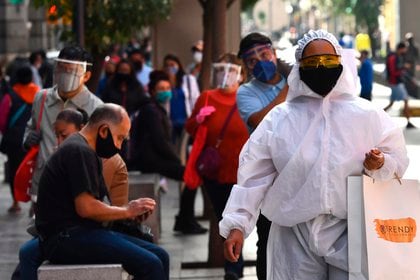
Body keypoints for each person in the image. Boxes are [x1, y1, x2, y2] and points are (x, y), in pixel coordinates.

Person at [220, 29, 409, 280]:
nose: (321, 67)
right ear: (300, 67)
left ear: (340, 63)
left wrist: (380, 162)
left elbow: (397, 161)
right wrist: (237, 225)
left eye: (328, 61)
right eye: (312, 62)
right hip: (294, 236)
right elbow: (254, 176)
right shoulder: (279, 119)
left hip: (351, 231)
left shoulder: (367, 115)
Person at [35, 104, 169, 279]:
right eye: (119, 138)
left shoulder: (86, 150)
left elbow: (98, 204)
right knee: (151, 264)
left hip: (82, 231)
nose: (120, 147)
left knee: (161, 256)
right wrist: (127, 210)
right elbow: (86, 207)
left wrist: (127, 215)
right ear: (104, 131)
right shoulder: (79, 151)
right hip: (65, 238)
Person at [14, 108, 131, 280]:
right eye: (57, 136)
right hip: (69, 228)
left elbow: (99, 206)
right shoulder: (72, 153)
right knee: (26, 254)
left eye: (64, 135)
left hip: (92, 228)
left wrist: (128, 213)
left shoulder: (95, 155)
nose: (60, 142)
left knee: (150, 260)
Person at [185, 54, 249, 279]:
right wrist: (199, 120)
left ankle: (239, 266)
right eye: (222, 70)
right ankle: (233, 267)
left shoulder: (247, 97)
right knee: (226, 218)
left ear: (240, 75)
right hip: (215, 172)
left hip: (245, 172)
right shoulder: (207, 97)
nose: (226, 75)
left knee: (248, 218)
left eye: (231, 71)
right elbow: (190, 127)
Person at [235, 32, 289, 280]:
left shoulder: (293, 78)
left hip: (299, 173)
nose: (260, 62)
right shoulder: (245, 92)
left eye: (264, 55)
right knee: (267, 241)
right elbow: (260, 121)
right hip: (269, 180)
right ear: (245, 66)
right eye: (252, 60)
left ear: (274, 54)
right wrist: (292, 87)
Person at [127, 70, 207, 235]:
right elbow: (159, 141)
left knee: (191, 176)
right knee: (191, 176)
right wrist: (177, 160)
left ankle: (186, 218)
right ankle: (185, 220)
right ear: (153, 91)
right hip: (149, 160)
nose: (165, 91)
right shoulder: (150, 110)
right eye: (161, 88)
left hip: (152, 158)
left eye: (167, 87)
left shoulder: (156, 108)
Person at [23, 46, 103, 205]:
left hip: (78, 187)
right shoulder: (42, 98)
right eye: (61, 68)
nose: (64, 74)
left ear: (86, 75)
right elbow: (31, 127)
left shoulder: (96, 108)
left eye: (71, 70)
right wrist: (27, 139)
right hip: (44, 183)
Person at [0, 66, 40, 213]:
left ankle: (16, 202)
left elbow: (2, 120)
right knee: (34, 170)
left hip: (14, 140)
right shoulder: (38, 94)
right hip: (34, 139)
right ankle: (33, 203)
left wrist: (7, 132)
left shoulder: (10, 95)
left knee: (14, 170)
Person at [163, 54, 200, 146]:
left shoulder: (188, 80)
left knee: (185, 149)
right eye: (167, 65)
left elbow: (196, 99)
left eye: (172, 65)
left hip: (186, 121)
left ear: (178, 65)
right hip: (170, 123)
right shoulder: (163, 83)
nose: (169, 68)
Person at [383, 42, 415, 128]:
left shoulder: (397, 57)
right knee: (405, 100)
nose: (405, 50)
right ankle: (408, 121)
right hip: (395, 83)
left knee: (392, 103)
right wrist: (404, 68)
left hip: (395, 83)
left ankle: (380, 116)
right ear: (401, 48)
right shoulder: (393, 57)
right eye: (405, 48)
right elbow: (394, 72)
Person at [403, 32, 419, 98]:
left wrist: (418, 64)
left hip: (412, 64)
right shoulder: (405, 47)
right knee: (406, 78)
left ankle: (412, 93)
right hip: (406, 65)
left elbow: (417, 56)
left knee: (412, 78)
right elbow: (402, 56)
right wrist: (404, 64)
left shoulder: (415, 47)